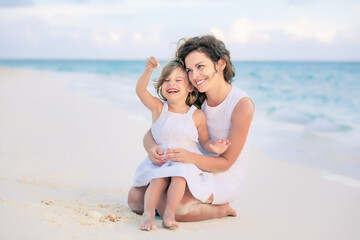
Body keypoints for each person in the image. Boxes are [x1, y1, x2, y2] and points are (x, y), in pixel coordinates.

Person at [128, 35, 255, 222]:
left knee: (173, 207)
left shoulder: (241, 105)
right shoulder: (194, 97)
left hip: (221, 174)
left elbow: (226, 163)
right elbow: (155, 131)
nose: (194, 76)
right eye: (189, 70)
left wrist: (188, 158)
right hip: (185, 164)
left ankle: (221, 209)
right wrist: (151, 148)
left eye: (200, 66)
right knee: (136, 200)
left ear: (220, 64)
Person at [133, 56, 231, 231]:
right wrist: (148, 70)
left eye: (178, 80)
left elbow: (205, 141)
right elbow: (140, 91)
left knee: (180, 175)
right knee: (158, 177)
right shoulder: (158, 108)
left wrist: (215, 147)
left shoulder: (196, 115)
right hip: (162, 159)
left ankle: (169, 213)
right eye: (167, 80)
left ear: (190, 87)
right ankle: (148, 213)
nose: (172, 84)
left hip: (184, 162)